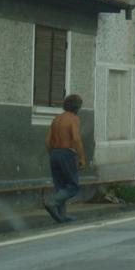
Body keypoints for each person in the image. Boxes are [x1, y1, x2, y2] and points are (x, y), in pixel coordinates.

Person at [43, 94, 86, 223]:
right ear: (77, 107)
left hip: (54, 153)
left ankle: (62, 217)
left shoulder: (56, 119)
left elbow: (47, 141)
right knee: (72, 186)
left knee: (60, 186)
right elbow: (76, 139)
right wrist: (81, 157)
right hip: (66, 153)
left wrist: (53, 153)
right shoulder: (73, 119)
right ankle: (52, 202)